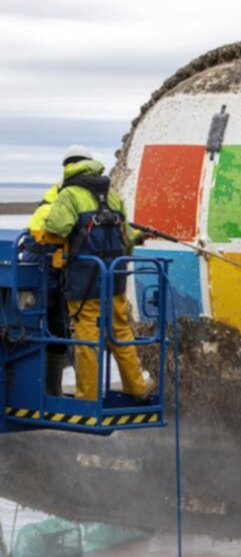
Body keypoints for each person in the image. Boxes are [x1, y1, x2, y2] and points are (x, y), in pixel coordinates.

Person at [44, 145, 154, 402]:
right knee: (120, 332)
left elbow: (58, 228)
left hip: (84, 281)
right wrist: (138, 238)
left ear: (67, 167)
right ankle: (137, 388)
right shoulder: (112, 196)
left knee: (88, 339)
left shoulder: (69, 194)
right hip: (114, 278)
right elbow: (126, 240)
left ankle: (88, 398)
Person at [20, 179, 66, 396]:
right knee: (51, 330)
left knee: (53, 331)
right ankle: (49, 391)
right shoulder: (53, 211)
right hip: (44, 279)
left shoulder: (49, 206)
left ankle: (48, 391)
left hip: (46, 279)